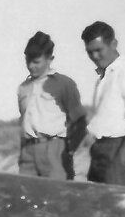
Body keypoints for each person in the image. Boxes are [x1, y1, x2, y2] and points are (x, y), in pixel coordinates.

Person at [82, 21, 125, 188]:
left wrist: (120, 161)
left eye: (99, 50)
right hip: (101, 152)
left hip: (120, 150)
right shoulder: (104, 77)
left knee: (120, 211)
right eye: (90, 52)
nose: (95, 57)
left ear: (113, 44)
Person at [16, 31, 86, 180]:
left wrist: (68, 150)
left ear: (50, 59)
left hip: (54, 149)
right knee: (26, 196)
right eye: (27, 61)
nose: (30, 66)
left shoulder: (64, 84)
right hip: (28, 151)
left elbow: (80, 121)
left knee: (57, 197)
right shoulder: (23, 87)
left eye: (36, 62)